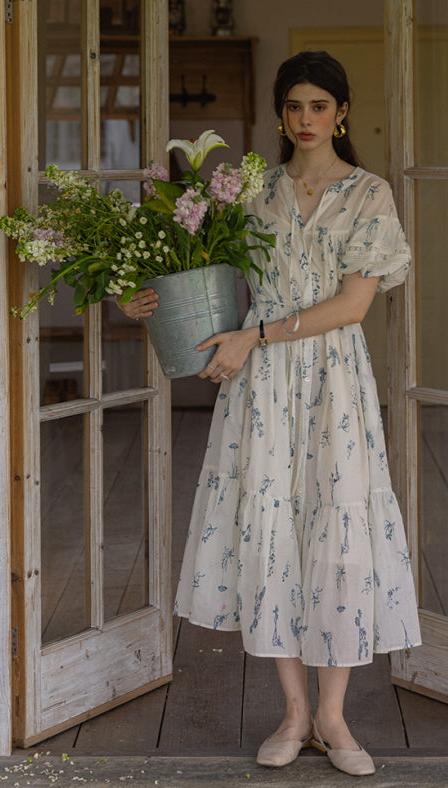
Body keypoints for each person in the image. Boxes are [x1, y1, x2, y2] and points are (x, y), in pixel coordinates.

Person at [121, 50, 421, 777]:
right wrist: (142, 299)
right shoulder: (251, 193)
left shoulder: (368, 194)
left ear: (341, 112)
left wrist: (255, 334)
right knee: (271, 533)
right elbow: (207, 275)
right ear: (281, 115)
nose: (306, 119)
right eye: (294, 106)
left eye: (319, 105)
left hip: (332, 384)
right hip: (261, 388)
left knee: (336, 536)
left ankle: (333, 717)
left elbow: (354, 304)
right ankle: (292, 713)